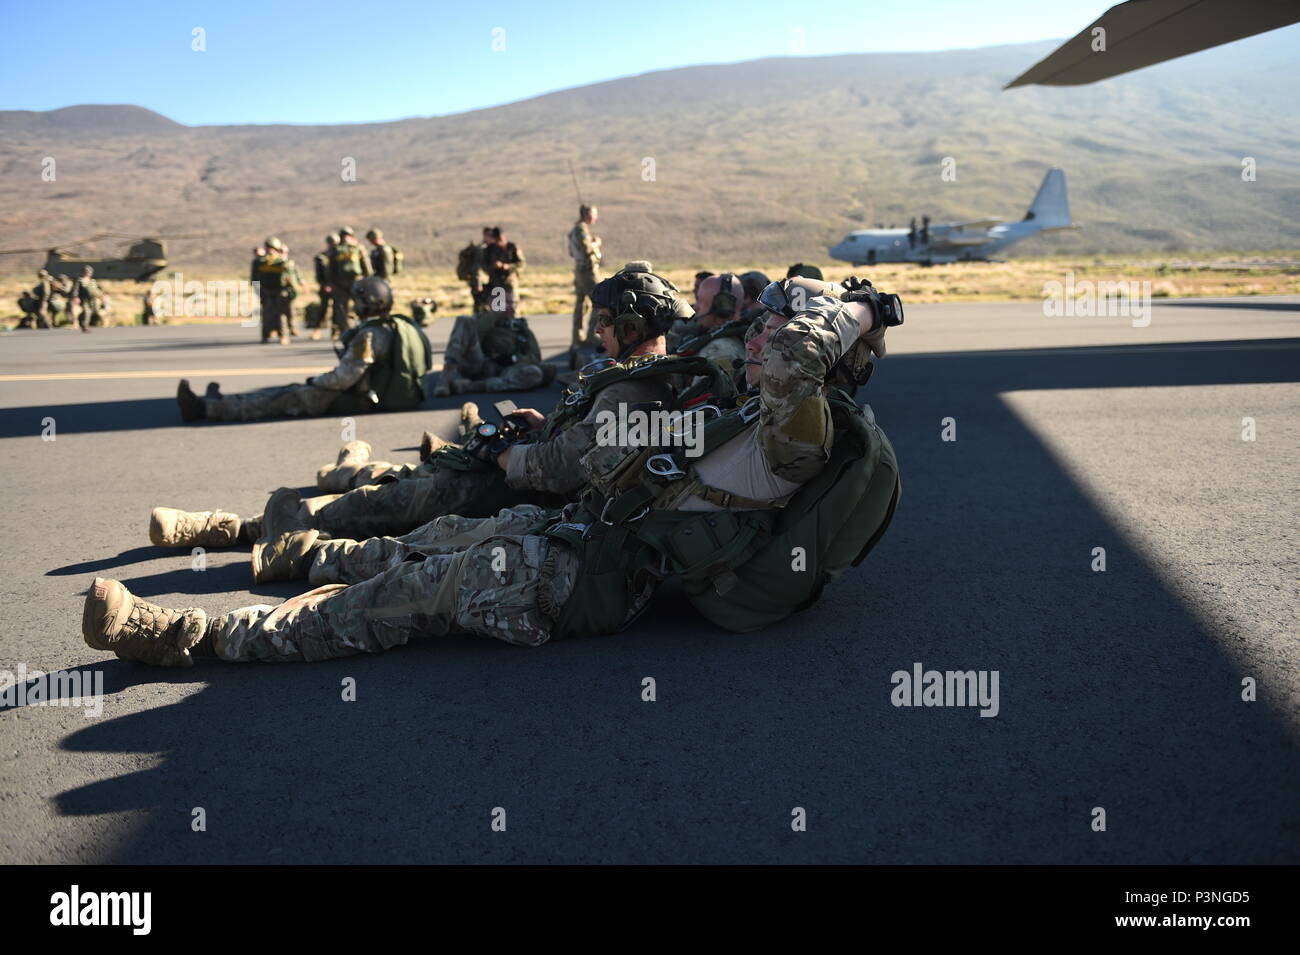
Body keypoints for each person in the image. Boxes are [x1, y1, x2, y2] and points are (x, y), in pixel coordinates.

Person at [81, 273, 902, 667]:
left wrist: (862, 308)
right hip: (567, 533)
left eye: (770, 335)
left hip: (582, 576)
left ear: (822, 358)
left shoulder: (796, 437)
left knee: (386, 600)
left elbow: (795, 355)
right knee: (409, 546)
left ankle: (188, 638)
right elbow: (627, 456)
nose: (752, 342)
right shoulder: (746, 414)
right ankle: (275, 554)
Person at [147, 265, 734, 582]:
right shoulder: (643, 373)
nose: (599, 328)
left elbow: (569, 468)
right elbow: (588, 439)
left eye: (607, 320)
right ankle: (240, 527)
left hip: (545, 499)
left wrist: (511, 457)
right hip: (537, 476)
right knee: (409, 483)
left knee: (408, 499)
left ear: (629, 326)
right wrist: (538, 423)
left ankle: (245, 530)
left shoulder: (634, 386)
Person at [173, 277, 430, 423]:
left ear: (367, 302)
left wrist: (318, 381)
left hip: (361, 399)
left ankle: (206, 409)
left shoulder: (371, 334)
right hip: (382, 395)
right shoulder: (396, 326)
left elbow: (344, 378)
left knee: (285, 397)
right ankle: (220, 401)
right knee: (290, 392)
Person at [672, 272, 749, 374]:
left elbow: (700, 389)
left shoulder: (720, 352)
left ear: (722, 308)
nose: (696, 307)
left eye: (700, 301)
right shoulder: (719, 339)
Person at [250, 238, 302, 343]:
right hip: (266, 290)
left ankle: (284, 336)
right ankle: (265, 335)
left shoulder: (282, 262)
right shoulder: (259, 262)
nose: (270, 251)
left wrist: (293, 291)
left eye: (273, 249)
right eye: (269, 248)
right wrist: (257, 291)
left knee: (281, 314)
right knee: (266, 314)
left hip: (280, 291)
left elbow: (290, 277)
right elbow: (254, 278)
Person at [568, 204, 603, 352]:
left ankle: (577, 337)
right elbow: (586, 248)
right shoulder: (581, 229)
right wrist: (596, 243)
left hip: (579, 269)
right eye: (594, 214)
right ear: (587, 215)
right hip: (587, 271)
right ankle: (591, 336)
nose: (596, 217)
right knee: (600, 300)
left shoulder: (575, 229)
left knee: (581, 304)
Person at [328, 226, 372, 337]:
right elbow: (331, 268)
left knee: (357, 306)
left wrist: (368, 279)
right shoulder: (339, 250)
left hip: (353, 281)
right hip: (343, 282)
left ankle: (360, 329)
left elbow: (366, 265)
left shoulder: (356, 248)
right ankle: (350, 331)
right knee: (344, 308)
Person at [481, 227, 524, 319]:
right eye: (496, 240)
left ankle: (513, 328)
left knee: (512, 309)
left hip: (509, 283)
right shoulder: (490, 250)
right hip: (496, 284)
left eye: (500, 240)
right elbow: (484, 265)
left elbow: (521, 264)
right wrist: (493, 266)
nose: (498, 243)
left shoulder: (512, 248)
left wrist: (508, 266)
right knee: (497, 312)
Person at [308, 234, 337, 341]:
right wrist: (324, 285)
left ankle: (335, 331)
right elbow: (319, 274)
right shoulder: (322, 257)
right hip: (325, 287)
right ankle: (317, 330)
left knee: (337, 309)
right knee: (323, 309)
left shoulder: (339, 256)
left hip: (338, 287)